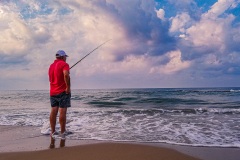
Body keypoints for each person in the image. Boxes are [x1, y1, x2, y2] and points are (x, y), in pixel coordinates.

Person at [48, 50, 71, 140]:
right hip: (62, 91)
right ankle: (62, 132)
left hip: (53, 91)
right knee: (62, 111)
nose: (66, 58)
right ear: (62, 57)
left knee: (53, 110)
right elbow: (65, 74)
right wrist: (68, 87)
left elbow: (52, 78)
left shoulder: (51, 66)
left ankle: (52, 132)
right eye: (65, 57)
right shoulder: (64, 64)